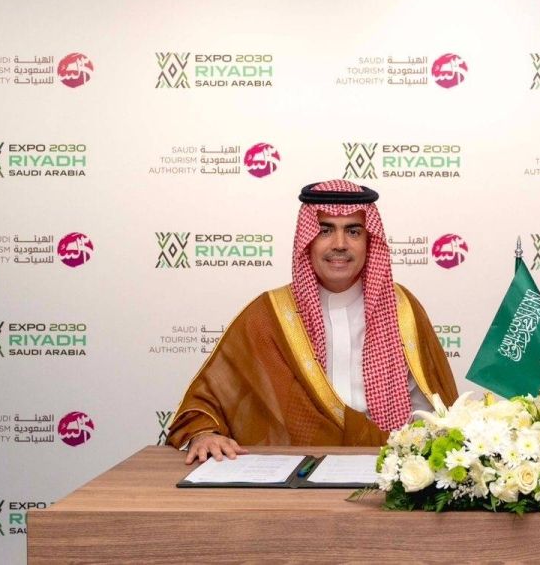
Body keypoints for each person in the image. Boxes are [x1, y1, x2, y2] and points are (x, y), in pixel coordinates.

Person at [169, 180, 457, 463]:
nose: (340, 244)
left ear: (370, 241)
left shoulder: (402, 309)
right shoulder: (269, 315)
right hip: (296, 468)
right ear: (307, 239)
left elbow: (433, 409)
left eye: (353, 231)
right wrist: (204, 434)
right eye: (325, 230)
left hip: (387, 465)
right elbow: (211, 397)